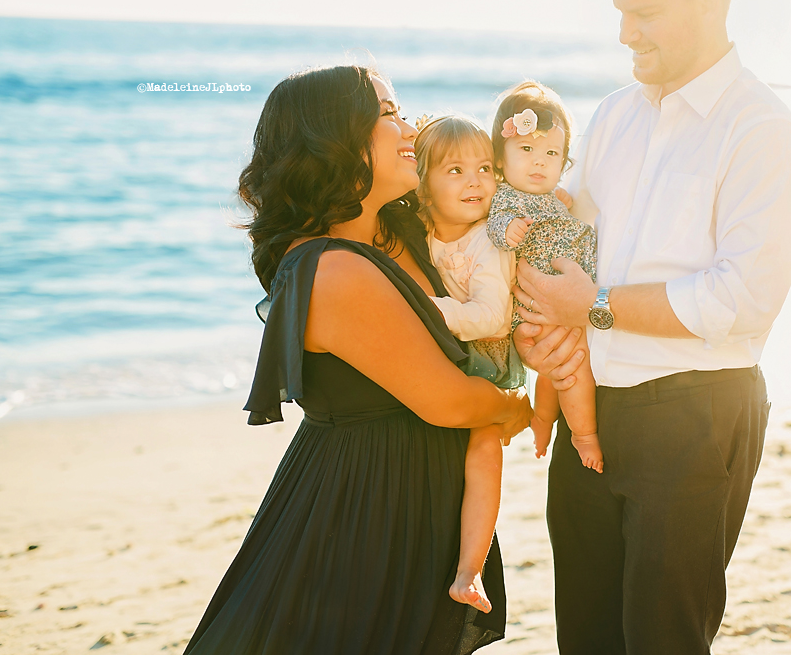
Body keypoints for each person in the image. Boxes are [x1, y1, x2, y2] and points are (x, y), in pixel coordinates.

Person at [511, 0, 791, 652]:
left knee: (663, 640)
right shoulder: (613, 115)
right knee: (584, 637)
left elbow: (740, 301)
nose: (625, 33)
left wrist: (593, 306)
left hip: (695, 414)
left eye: (644, 13)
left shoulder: (763, 131)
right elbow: (566, 236)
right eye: (620, 12)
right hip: (592, 411)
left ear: (708, 4)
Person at [184, 66, 533, 655]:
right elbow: (448, 401)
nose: (409, 128)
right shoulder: (333, 268)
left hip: (413, 496)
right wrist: (514, 407)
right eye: (388, 113)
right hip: (365, 506)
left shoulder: (400, 231)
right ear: (337, 138)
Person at [412, 113, 525, 614]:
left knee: (483, 454)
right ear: (423, 185)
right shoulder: (417, 229)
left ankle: (469, 570)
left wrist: (424, 309)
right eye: (455, 171)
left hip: (486, 358)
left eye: (484, 168)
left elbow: (492, 317)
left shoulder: (488, 239)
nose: (475, 181)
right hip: (447, 355)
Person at [486, 82, 602, 473]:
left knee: (555, 372)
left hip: (560, 301)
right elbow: (493, 225)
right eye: (526, 150)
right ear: (499, 158)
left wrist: (560, 202)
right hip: (539, 304)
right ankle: (584, 435)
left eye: (551, 154)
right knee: (573, 369)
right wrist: (508, 230)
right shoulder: (505, 197)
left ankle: (542, 420)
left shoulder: (549, 197)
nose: (539, 163)